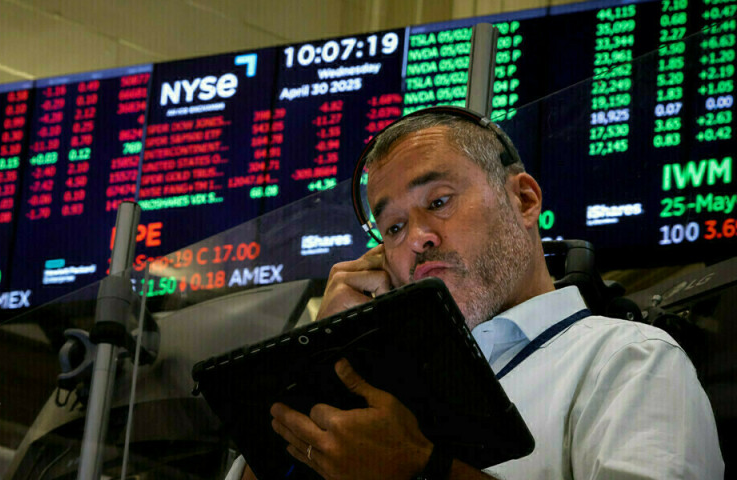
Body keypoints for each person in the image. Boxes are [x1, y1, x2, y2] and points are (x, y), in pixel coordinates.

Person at [228, 108, 724, 479]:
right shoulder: (381, 386)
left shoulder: (628, 359)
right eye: (394, 227)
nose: (417, 238)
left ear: (523, 200)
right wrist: (322, 357)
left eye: (438, 201)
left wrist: (420, 470)